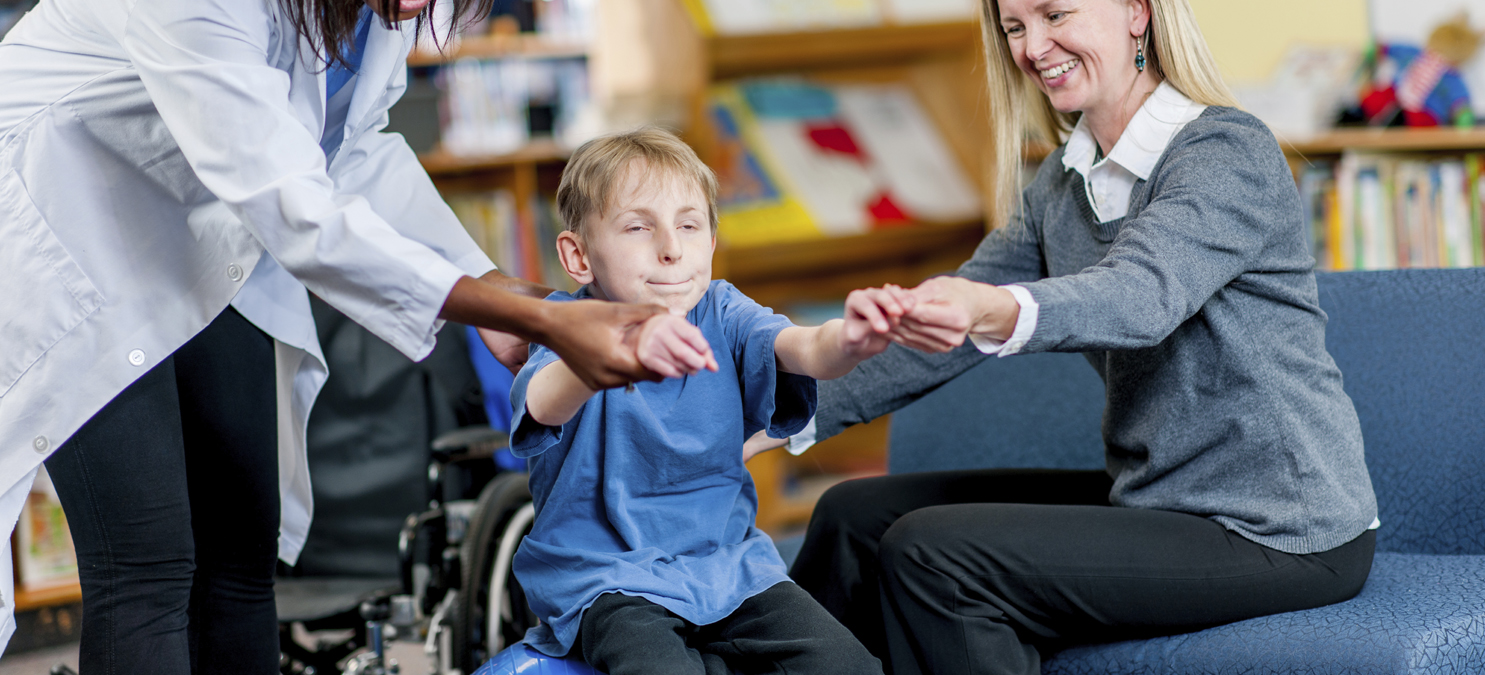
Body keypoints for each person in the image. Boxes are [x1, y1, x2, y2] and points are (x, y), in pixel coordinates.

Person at [0, 0, 666, 670]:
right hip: (66, 212)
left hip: (198, 227)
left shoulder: (373, 15)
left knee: (242, 552)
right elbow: (293, 205)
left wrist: (495, 289)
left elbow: (355, 148)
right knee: (148, 564)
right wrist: (537, 318)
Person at [777, 1, 1381, 674]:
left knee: (935, 557)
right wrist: (765, 416)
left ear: (1136, 12)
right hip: (1158, 500)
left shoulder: (1225, 152)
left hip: (1278, 527)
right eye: (1014, 27)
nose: (1033, 47)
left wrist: (990, 309)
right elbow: (943, 329)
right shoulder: (1061, 186)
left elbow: (1139, 295)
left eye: (1055, 13)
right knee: (852, 517)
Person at [508, 127, 904, 675]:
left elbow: (805, 347)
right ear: (579, 256)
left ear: (712, 244)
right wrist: (601, 358)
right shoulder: (570, 325)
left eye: (689, 225)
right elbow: (542, 403)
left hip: (728, 565)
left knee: (847, 665)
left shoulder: (724, 310)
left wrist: (849, 340)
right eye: (638, 227)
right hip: (607, 577)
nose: (671, 249)